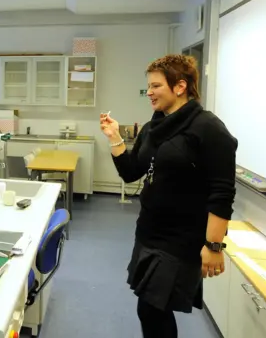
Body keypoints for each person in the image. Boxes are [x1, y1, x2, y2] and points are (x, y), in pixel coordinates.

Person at [99, 54, 237, 338]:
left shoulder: (208, 128)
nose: (148, 92)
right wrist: (114, 137)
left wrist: (213, 245)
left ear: (180, 86)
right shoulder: (154, 127)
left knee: (152, 310)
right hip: (149, 232)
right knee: (150, 310)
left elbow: (222, 192)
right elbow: (132, 172)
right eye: (148, 86)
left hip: (181, 238)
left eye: (156, 85)